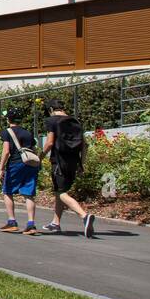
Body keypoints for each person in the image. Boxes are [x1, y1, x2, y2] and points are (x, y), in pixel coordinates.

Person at [41, 99, 96, 238]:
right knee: (61, 190)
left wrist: (39, 157)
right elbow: (85, 145)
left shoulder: (51, 121)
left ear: (51, 110)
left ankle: (84, 216)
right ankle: (55, 223)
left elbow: (49, 142)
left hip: (59, 161)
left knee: (61, 193)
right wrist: (82, 164)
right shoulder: (75, 121)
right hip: (74, 161)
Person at [0, 110, 40, 234]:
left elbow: (6, 151)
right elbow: (33, 148)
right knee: (28, 194)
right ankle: (31, 224)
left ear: (8, 119)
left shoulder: (7, 132)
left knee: (7, 191)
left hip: (15, 163)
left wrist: (1, 168)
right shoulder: (28, 132)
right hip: (30, 164)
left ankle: (12, 222)